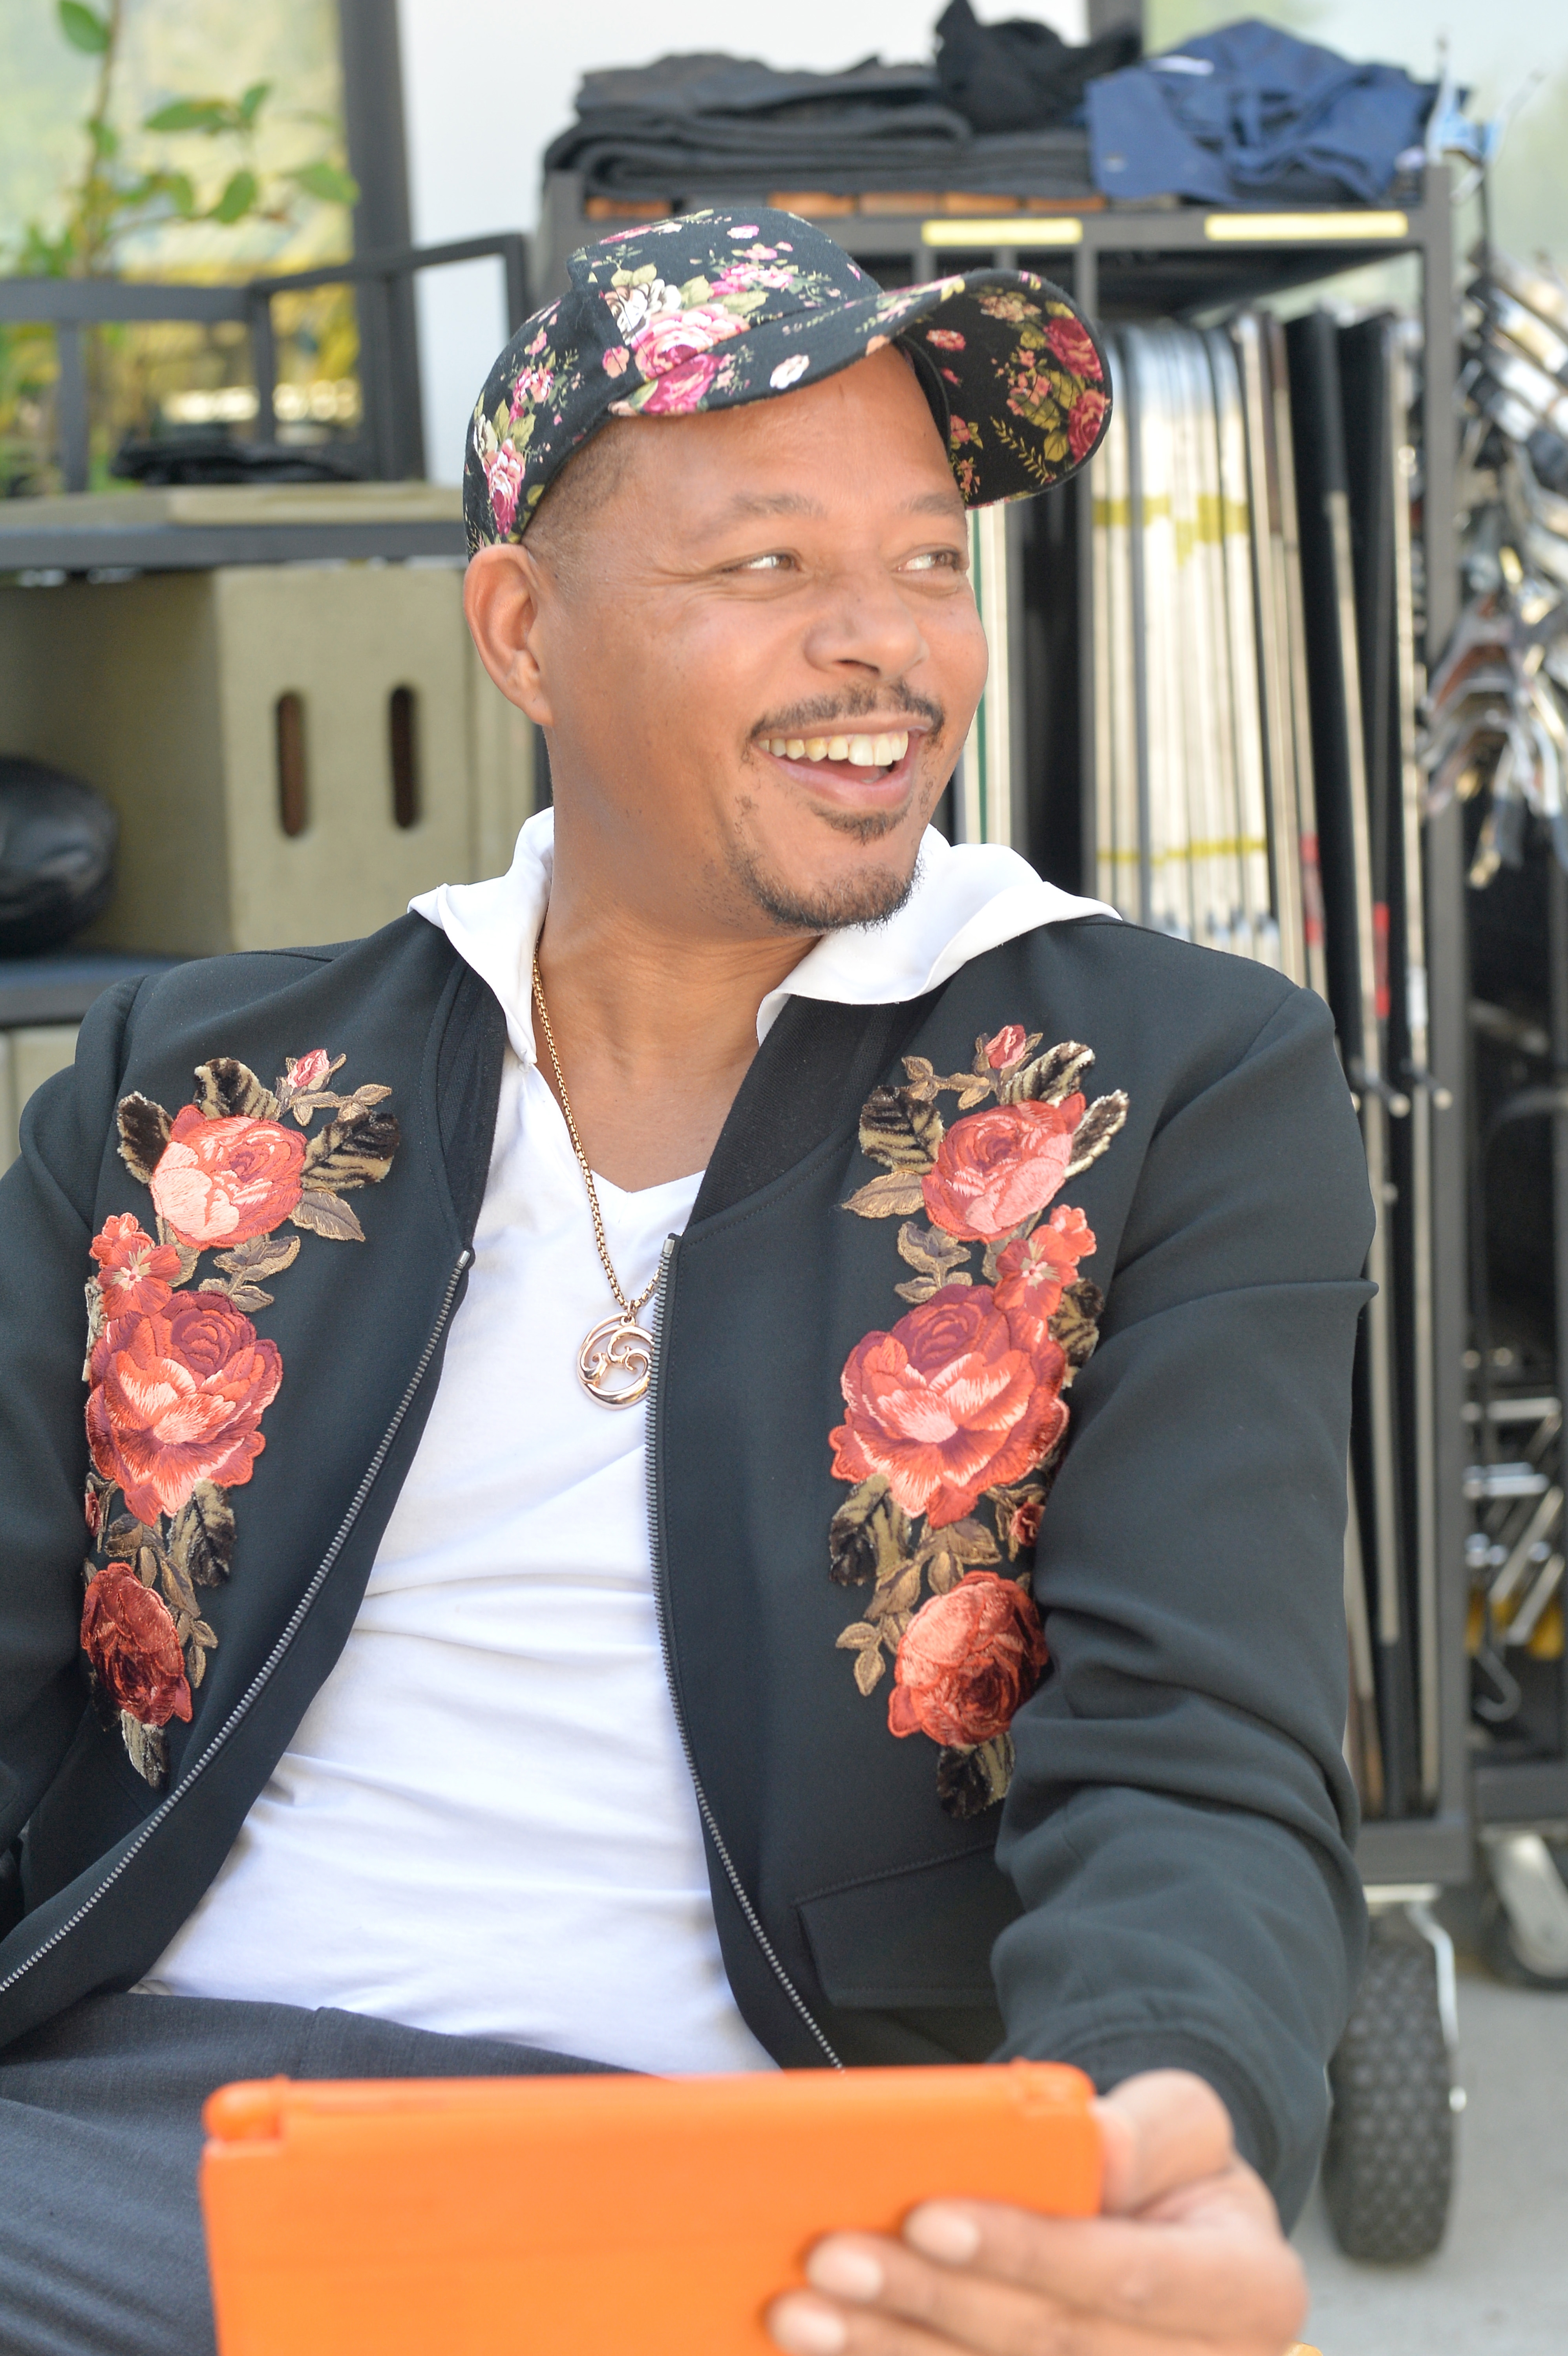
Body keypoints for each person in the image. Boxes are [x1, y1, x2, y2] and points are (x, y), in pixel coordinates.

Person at [0, 209, 1368, 2356]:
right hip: (137, 2136)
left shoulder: (1172, 1081)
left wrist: (1154, 2128)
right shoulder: (195, 1088)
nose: (888, 646)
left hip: (758, 2183)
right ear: (524, 628)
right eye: (767, 567)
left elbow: (1196, 1743)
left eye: (929, 559)